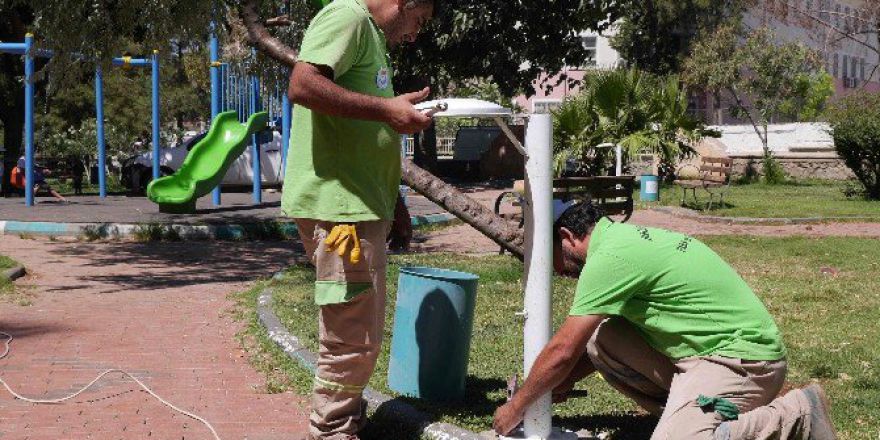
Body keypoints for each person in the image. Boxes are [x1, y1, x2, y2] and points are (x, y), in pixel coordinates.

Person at [493, 200, 837, 440]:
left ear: (567, 237)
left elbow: (563, 349)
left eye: (549, 256)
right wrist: (557, 384)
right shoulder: (619, 241)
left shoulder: (610, 258)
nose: (554, 270)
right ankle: (694, 414)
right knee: (603, 337)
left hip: (743, 362)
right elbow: (584, 349)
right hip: (704, 356)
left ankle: (799, 413)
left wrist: (517, 406)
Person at [281, 0, 435, 438]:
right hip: (339, 213)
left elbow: (367, 131)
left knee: (356, 332)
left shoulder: (370, 34)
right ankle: (333, 429)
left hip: (359, 207)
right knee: (351, 337)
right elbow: (303, 85)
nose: (415, 34)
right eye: (418, 20)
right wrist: (388, 110)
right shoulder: (346, 17)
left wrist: (396, 202)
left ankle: (342, 419)